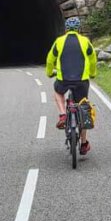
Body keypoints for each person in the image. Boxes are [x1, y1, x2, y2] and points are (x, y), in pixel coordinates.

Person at [45, 16, 97, 156]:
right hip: (82, 80)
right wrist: (92, 73)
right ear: (79, 29)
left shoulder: (59, 41)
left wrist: (50, 72)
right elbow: (92, 60)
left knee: (58, 92)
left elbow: (50, 59)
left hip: (64, 79)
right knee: (83, 107)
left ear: (66, 29)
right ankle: (84, 143)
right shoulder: (85, 42)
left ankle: (62, 115)